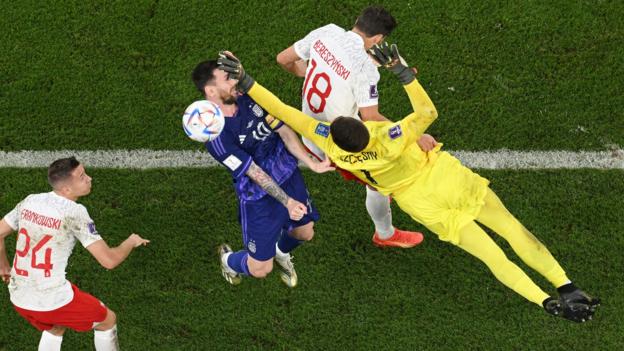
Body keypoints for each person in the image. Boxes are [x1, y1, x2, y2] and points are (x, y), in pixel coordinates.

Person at [216, 48, 601, 322]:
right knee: (514, 231)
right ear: (365, 129)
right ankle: (564, 284)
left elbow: (282, 110)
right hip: (450, 180)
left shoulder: (333, 143)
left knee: (491, 256)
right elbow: (428, 112)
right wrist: (403, 72)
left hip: (422, 203)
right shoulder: (391, 135)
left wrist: (247, 81)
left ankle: (545, 303)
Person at [276, 5, 431, 248]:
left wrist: (310, 73)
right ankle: (385, 234)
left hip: (311, 128)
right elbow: (371, 117)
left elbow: (283, 59)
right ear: (379, 38)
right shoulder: (364, 68)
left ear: (358, 20)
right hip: (338, 143)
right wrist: (414, 135)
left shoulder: (326, 32)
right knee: (381, 181)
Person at [191, 60, 333, 288]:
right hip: (257, 196)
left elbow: (284, 131)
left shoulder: (249, 98)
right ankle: (228, 260)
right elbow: (253, 172)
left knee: (305, 232)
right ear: (210, 90)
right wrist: (287, 202)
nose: (235, 81)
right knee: (260, 269)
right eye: (227, 79)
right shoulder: (215, 134)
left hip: (287, 172)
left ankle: (280, 252)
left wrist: (312, 163)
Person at [0, 157, 150, 351]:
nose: (89, 178)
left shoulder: (30, 200)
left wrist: (3, 266)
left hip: (19, 297)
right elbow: (109, 261)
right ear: (66, 190)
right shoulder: (74, 212)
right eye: (82, 177)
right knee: (107, 320)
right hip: (51, 299)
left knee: (56, 327)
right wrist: (131, 241)